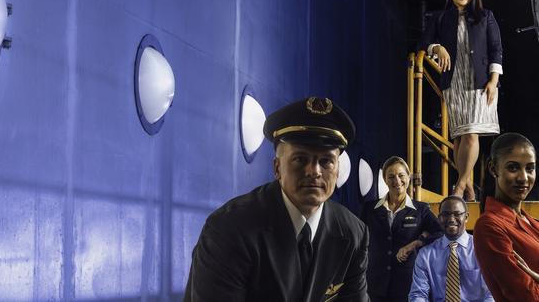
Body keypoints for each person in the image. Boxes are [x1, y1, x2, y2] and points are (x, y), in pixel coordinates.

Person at [183, 97, 369, 302]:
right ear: (277, 168)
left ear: (338, 171)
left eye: (326, 161)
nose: (314, 171)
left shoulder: (353, 233)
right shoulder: (229, 229)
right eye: (300, 159)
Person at [419, 0, 503, 201]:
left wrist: (494, 80)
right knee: (459, 137)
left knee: (471, 134)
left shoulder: (485, 16)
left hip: (481, 83)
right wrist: (437, 47)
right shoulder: (440, 17)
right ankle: (468, 188)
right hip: (454, 83)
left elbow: (496, 49)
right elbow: (423, 43)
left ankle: (459, 186)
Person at [361, 156, 443, 302]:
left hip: (407, 285)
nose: (397, 181)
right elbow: (359, 241)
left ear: (408, 177)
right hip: (374, 285)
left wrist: (417, 242)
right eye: (391, 177)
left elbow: (440, 233)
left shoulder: (421, 210)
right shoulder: (370, 209)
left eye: (401, 175)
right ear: (385, 180)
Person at [473, 132, 539, 301]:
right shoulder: (489, 227)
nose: (523, 177)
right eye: (513, 168)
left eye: (530, 168)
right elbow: (526, 296)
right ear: (493, 168)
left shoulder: (533, 223)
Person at [409, 195, 493, 301]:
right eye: (446, 214)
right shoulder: (426, 255)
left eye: (457, 214)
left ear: (466, 217)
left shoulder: (483, 250)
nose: (451, 219)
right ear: (439, 218)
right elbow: (418, 294)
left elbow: (492, 293)